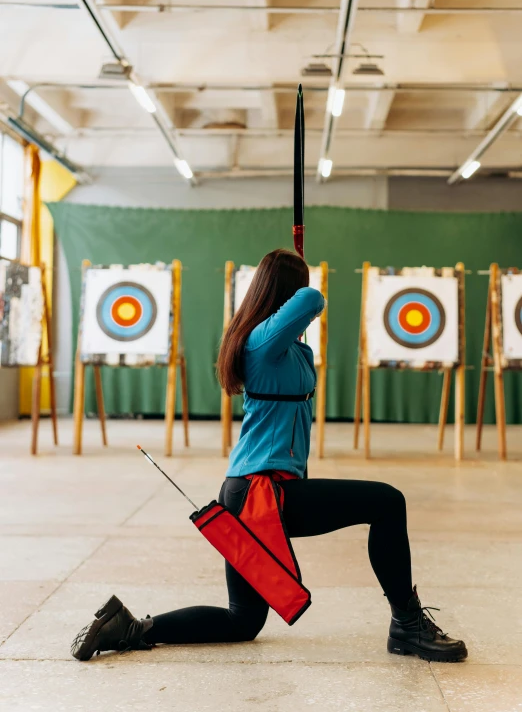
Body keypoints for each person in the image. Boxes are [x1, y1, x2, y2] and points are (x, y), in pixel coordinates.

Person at [71, 248, 467, 663]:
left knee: (243, 621)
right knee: (387, 502)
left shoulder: (284, 348)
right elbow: (311, 301)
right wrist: (298, 273)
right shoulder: (261, 341)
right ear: (286, 291)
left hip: (250, 491)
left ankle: (130, 628)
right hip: (262, 493)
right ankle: (407, 625)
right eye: (298, 285)